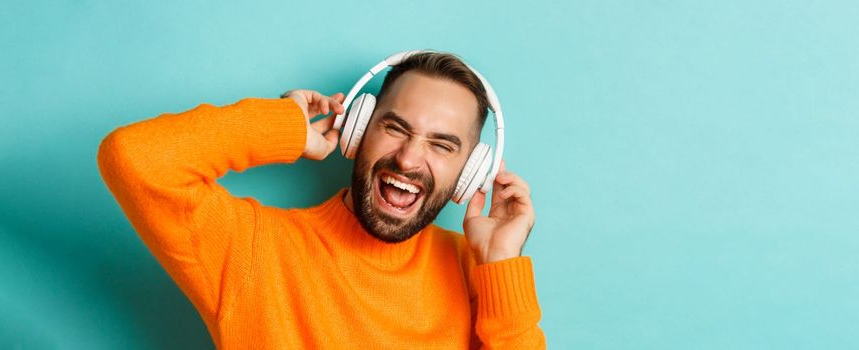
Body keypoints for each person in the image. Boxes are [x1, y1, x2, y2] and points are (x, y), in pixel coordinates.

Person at [97, 51, 546, 349]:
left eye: (442, 145)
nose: (409, 159)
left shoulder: (475, 272)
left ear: (472, 174)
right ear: (358, 131)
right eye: (394, 128)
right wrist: (284, 126)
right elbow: (135, 159)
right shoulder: (254, 251)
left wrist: (502, 264)